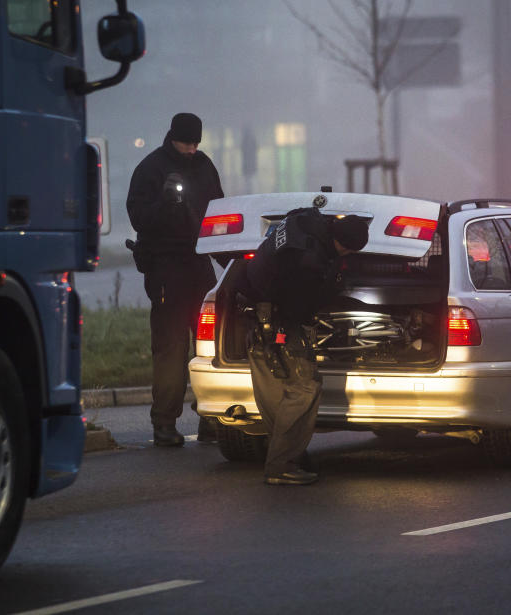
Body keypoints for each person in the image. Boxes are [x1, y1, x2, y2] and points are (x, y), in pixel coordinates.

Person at [230, 207, 370, 485]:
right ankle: (281, 464)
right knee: (306, 387)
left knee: (275, 392)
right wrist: (331, 290)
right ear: (346, 247)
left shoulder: (304, 221)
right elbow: (298, 310)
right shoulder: (310, 262)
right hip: (280, 324)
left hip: (251, 315)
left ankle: (287, 454)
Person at [126, 112, 224, 446]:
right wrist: (165, 205)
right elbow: (139, 218)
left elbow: (218, 212)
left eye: (196, 143)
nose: (191, 149)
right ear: (172, 137)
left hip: (199, 266)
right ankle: (165, 423)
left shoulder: (204, 165)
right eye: (186, 143)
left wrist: (227, 252)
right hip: (166, 268)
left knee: (211, 346)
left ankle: (212, 416)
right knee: (170, 348)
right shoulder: (151, 169)